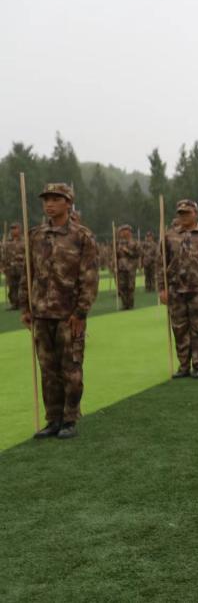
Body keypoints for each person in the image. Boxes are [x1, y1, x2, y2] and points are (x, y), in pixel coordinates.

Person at [20, 183, 99, 440]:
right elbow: (28, 272)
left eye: (56, 199)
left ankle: (69, 418)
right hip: (41, 314)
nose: (49, 204)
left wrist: (81, 312)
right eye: (46, 200)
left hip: (69, 315)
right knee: (48, 370)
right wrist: (26, 306)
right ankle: (53, 419)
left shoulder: (82, 236)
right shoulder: (36, 235)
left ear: (68, 203)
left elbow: (89, 278)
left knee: (71, 369)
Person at [158, 199, 198, 379]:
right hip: (176, 291)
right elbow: (161, 264)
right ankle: (184, 365)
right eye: (181, 213)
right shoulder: (169, 236)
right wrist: (162, 289)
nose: (183, 216)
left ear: (196, 214)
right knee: (179, 329)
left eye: (187, 213)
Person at [114, 224, 141, 309]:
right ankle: (124, 304)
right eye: (121, 231)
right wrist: (114, 264)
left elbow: (138, 254)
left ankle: (130, 304)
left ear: (128, 232)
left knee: (130, 287)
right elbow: (116, 255)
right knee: (122, 287)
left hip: (130, 267)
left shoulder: (135, 243)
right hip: (121, 267)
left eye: (124, 231)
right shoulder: (119, 243)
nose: (122, 233)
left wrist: (127, 251)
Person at [4, 223, 25, 310]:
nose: (13, 230)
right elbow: (4, 255)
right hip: (10, 268)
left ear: (19, 229)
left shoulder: (24, 241)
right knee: (12, 286)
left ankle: (23, 303)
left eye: (15, 228)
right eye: (12, 228)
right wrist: (3, 266)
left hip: (21, 267)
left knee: (22, 286)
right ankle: (14, 303)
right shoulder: (7, 242)